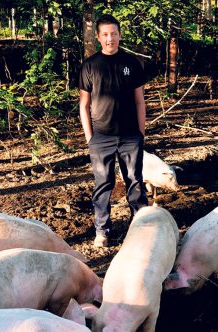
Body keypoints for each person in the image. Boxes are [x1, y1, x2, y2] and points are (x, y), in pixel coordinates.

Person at [79, 14, 148, 247]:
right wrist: (90, 138)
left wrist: (140, 133)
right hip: (101, 138)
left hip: (130, 137)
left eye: (114, 34)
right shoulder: (90, 66)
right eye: (106, 35)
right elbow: (84, 105)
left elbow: (140, 101)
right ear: (98, 37)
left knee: (135, 181)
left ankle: (142, 226)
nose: (110, 39)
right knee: (103, 184)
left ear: (119, 35)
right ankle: (102, 231)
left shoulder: (132, 63)